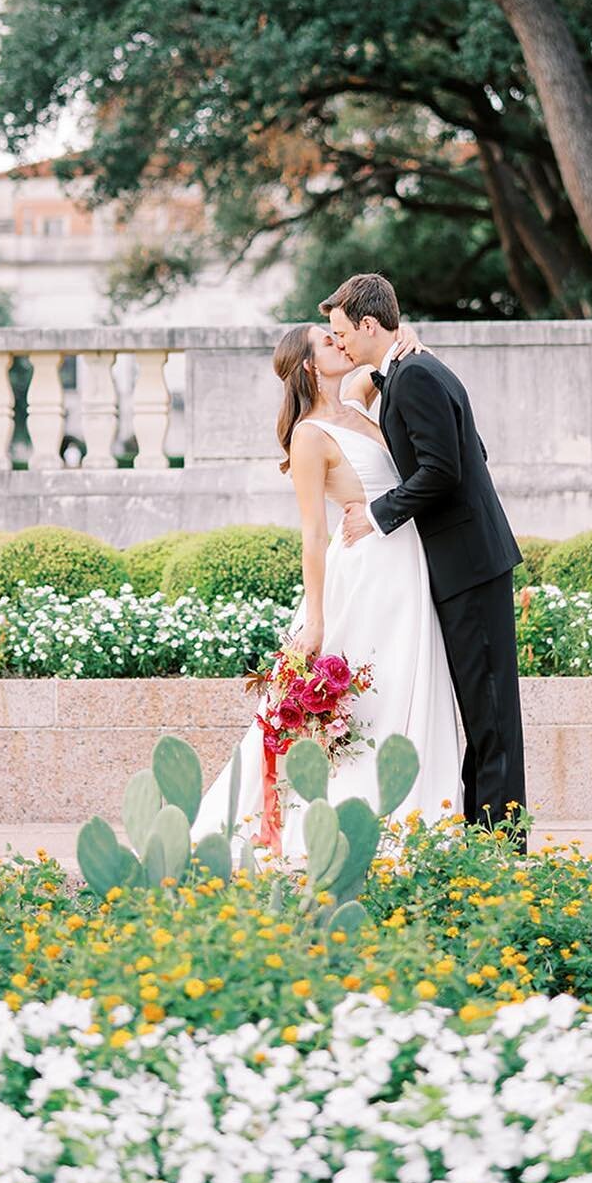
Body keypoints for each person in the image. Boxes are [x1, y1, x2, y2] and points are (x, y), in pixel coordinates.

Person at [193, 314, 463, 852]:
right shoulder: (309, 435)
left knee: (410, 681)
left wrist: (409, 338)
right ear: (311, 366)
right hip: (363, 574)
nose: (340, 341)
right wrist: (315, 620)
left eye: (338, 333)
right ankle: (332, 825)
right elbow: (313, 534)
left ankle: (416, 816)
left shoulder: (360, 399)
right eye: (327, 340)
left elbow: (389, 351)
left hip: (406, 564)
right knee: (372, 694)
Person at [323, 272, 526, 831]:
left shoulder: (414, 375)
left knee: (490, 716)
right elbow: (469, 448)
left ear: (368, 325)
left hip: (470, 565)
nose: (337, 341)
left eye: (341, 331)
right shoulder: (410, 372)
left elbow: (445, 468)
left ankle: (502, 848)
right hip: (462, 564)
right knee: (482, 713)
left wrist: (375, 513)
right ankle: (484, 835)